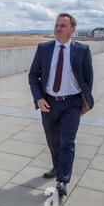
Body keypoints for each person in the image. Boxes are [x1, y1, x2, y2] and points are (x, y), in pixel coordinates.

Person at [28, 13, 94, 196]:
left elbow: (88, 79)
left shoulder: (82, 49)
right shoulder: (44, 48)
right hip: (48, 103)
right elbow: (33, 75)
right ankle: (57, 167)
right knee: (53, 141)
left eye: (62, 25)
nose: (57, 28)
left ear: (72, 29)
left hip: (72, 103)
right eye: (56, 24)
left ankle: (62, 180)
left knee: (67, 141)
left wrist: (83, 103)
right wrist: (39, 98)